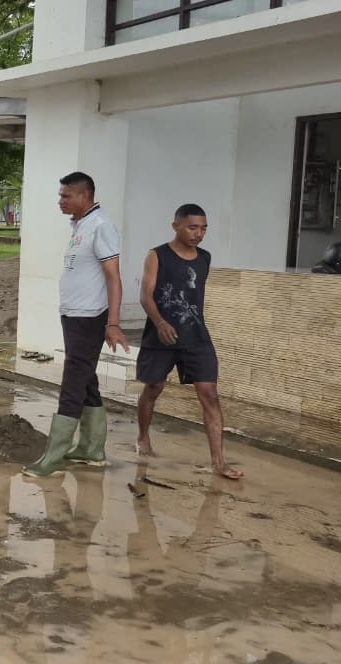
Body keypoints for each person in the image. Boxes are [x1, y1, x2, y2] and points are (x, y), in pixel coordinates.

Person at [23, 171, 130, 477]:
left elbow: (114, 276)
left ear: (85, 196)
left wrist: (113, 323)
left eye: (66, 196)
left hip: (89, 317)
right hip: (73, 315)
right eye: (61, 195)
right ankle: (91, 449)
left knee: (73, 382)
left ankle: (53, 457)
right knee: (86, 380)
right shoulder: (81, 225)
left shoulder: (101, 226)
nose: (61, 200)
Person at [136, 204, 244, 480]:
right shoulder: (157, 255)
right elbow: (146, 296)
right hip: (161, 335)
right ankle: (143, 437)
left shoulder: (205, 258)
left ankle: (219, 462)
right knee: (154, 388)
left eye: (204, 228)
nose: (199, 233)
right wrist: (160, 322)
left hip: (196, 337)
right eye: (193, 227)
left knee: (210, 395)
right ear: (176, 226)